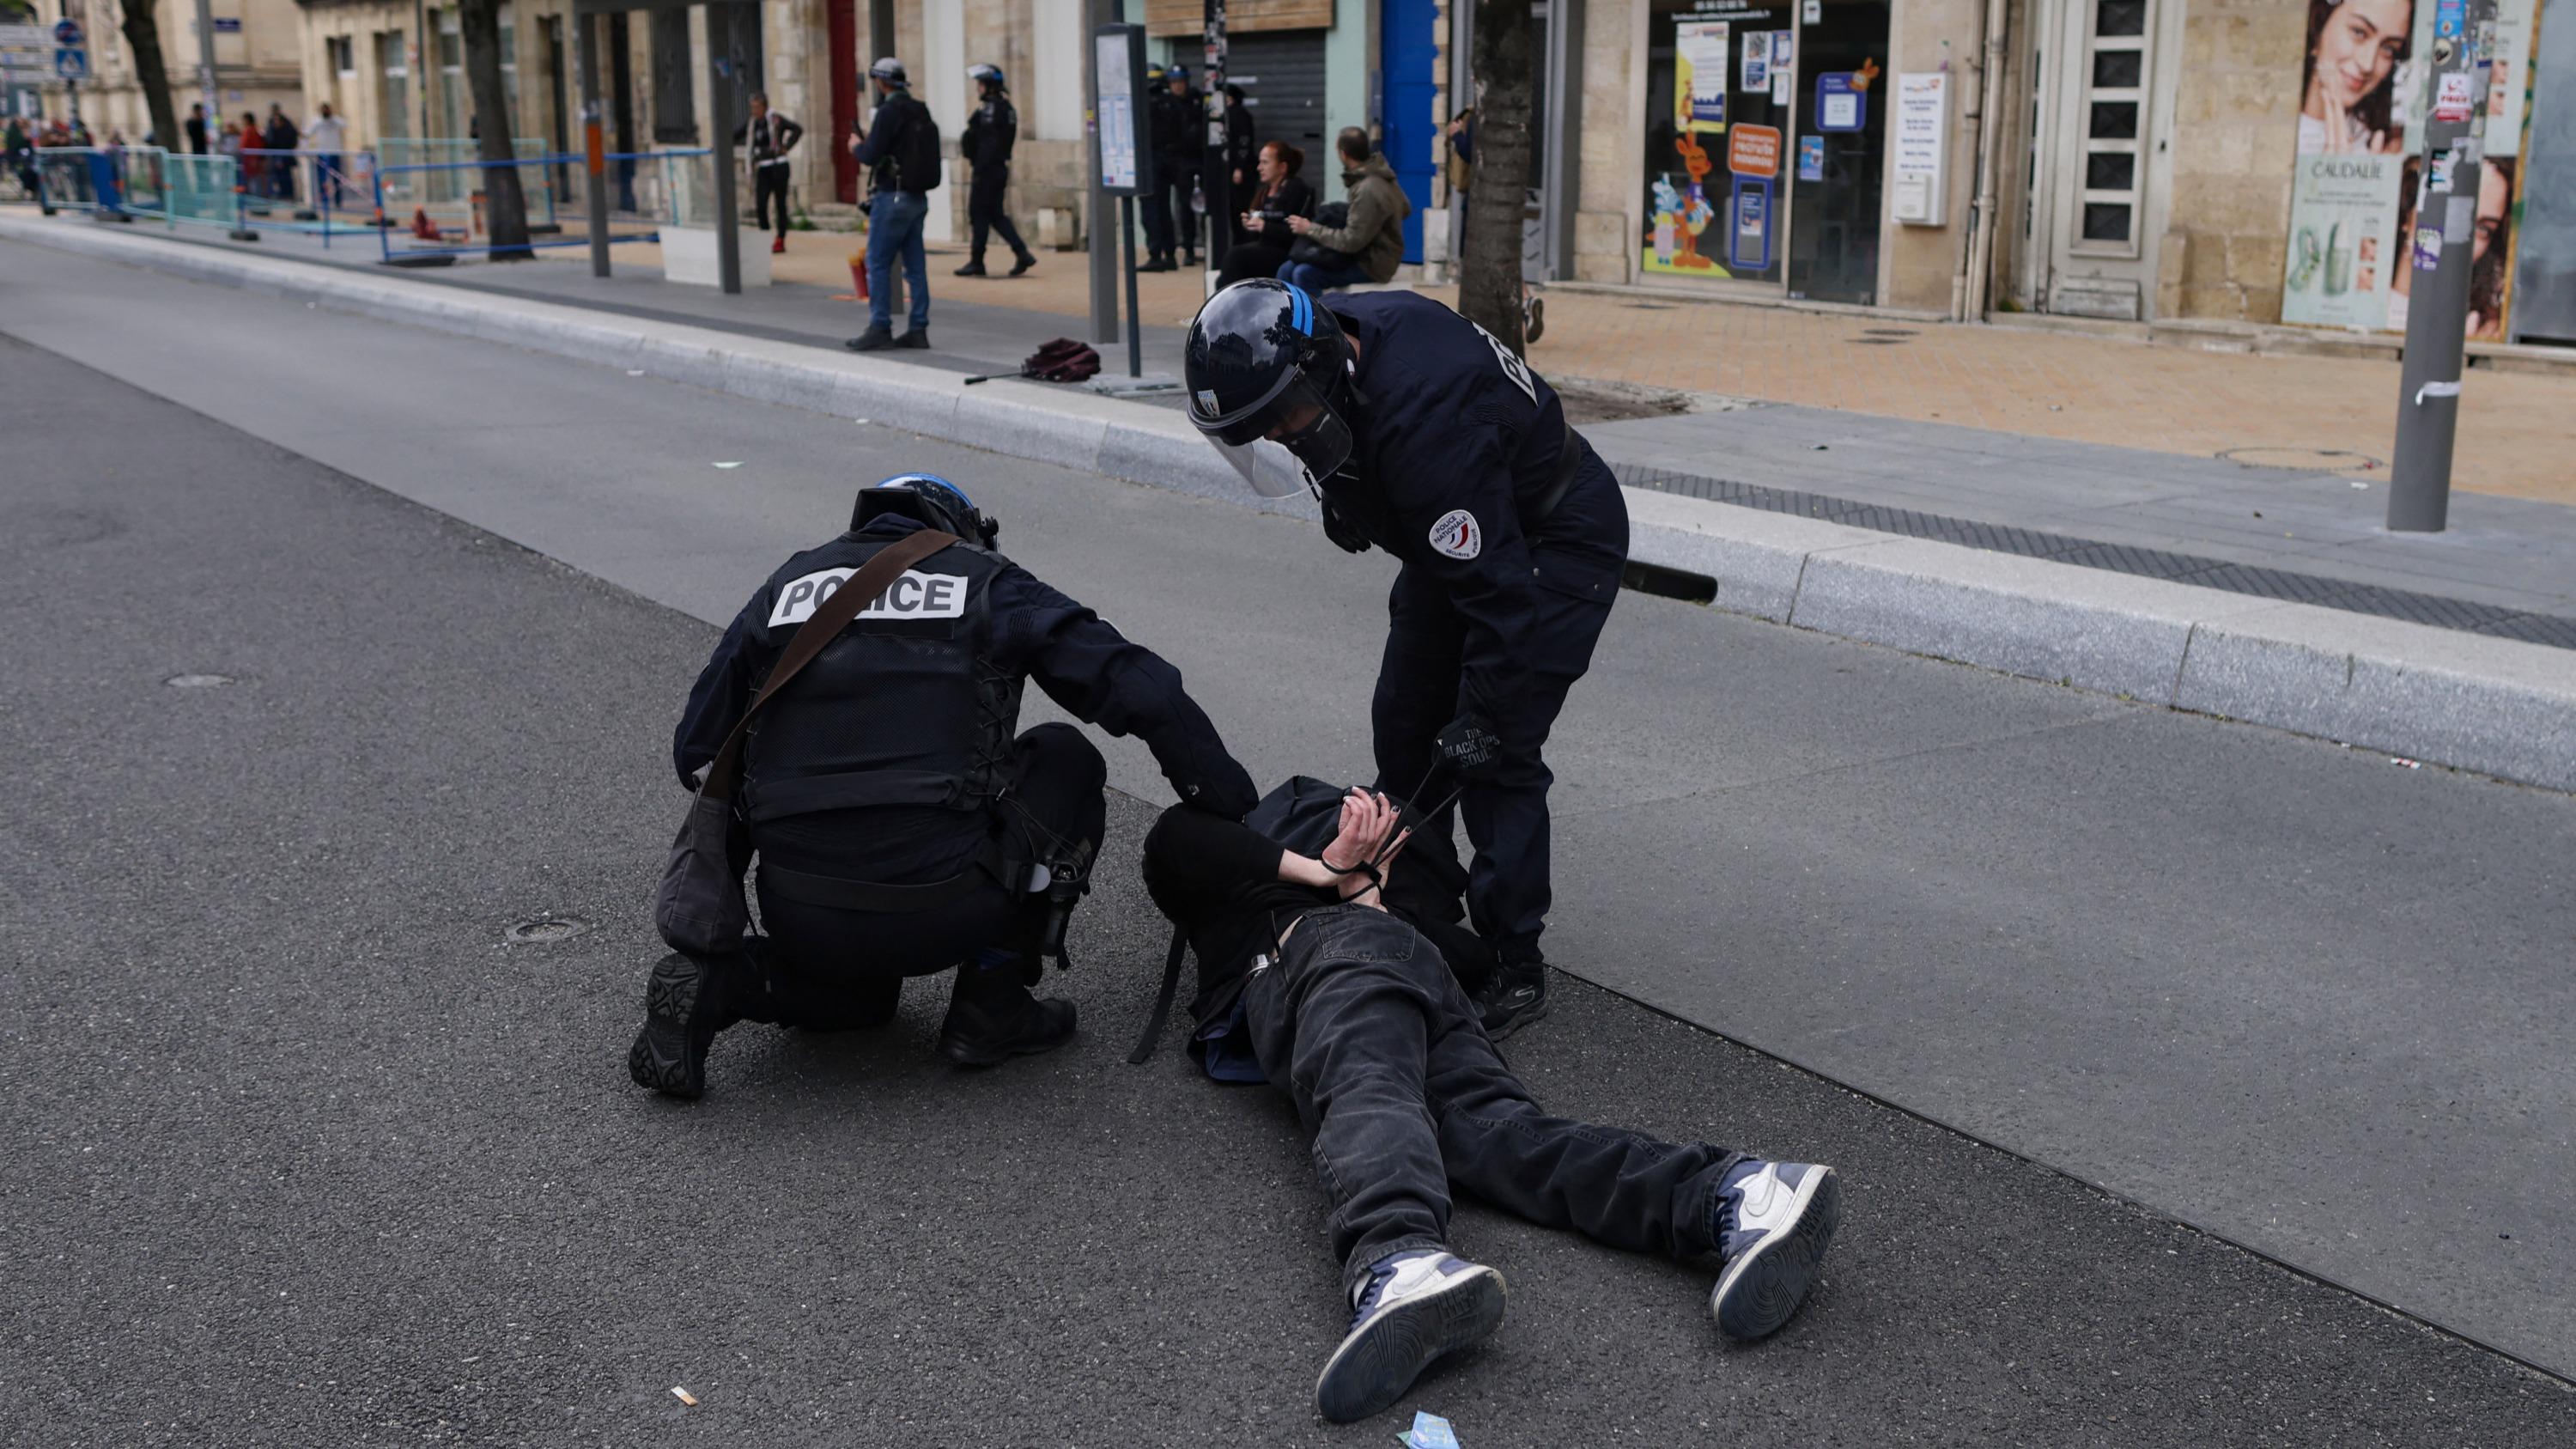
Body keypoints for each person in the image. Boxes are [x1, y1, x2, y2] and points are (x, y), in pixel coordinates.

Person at [1142, 785, 1840, 1422]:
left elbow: (1173, 839)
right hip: (1412, 968)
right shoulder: (1252, 867)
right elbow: (1177, 842)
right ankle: (1737, 1192)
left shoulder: (1264, 889)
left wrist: (1342, 885)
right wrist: (1346, 884)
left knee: (1368, 1085)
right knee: (1505, 1138)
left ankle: (1395, 1258)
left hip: (1337, 955)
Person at [632, 474, 1260, 1099]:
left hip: (800, 906)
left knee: (860, 999)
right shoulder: (985, 578)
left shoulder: (787, 586)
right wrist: (1230, 806)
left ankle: (722, 983)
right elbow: (1136, 682)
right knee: (1066, 757)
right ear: (958, 525)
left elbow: (697, 745)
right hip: (946, 903)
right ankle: (992, 1005)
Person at [1183, 277, 1626, 1040]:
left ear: (1325, 370)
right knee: (1404, 723)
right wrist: (1342, 492)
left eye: (1284, 420)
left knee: (1494, 751)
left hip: (1552, 539)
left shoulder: (1430, 427)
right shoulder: (1332, 331)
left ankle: (1513, 960)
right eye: (1262, 431)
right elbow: (1338, 429)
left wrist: (1483, 714)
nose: (1281, 438)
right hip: (1459, 533)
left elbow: (1500, 602)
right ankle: (1416, 901)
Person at [844, 57, 939, 353]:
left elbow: (872, 155)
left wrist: (855, 147)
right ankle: (918, 329)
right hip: (916, 197)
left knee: (877, 262)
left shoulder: (888, 112)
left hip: (892, 196)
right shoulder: (919, 110)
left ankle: (880, 327)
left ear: (881, 83)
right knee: (915, 266)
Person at [1279, 127, 1411, 293]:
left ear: (1343, 154)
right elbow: (1405, 208)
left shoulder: (1368, 189)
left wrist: (1309, 228)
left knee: (1305, 274)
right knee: (1287, 268)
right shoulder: (1381, 175)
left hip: (1373, 263)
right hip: (1365, 254)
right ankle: (1289, 316)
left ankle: (1319, 318)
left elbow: (1351, 242)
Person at [954, 63, 1036, 277]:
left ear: (989, 85)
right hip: (998, 168)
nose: (978, 88)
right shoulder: (1007, 107)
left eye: (980, 83)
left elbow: (987, 142)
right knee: (995, 215)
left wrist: (980, 168)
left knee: (979, 214)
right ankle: (1022, 253)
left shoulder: (991, 109)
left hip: (987, 170)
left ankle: (977, 261)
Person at [2298, 0, 2410, 155]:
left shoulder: (2384, 150)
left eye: (2388, 48)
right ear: (2319, 23)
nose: (2367, 64)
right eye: (2359, 32)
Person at [1215, 140, 1314, 287]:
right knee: (1228, 268)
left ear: (1282, 167)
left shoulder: (1297, 189)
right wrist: (1250, 225)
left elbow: (1293, 233)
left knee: (1235, 257)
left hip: (1287, 251)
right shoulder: (1264, 193)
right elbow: (1257, 236)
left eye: (1265, 163)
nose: (1259, 168)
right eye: (1259, 162)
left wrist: (1264, 227)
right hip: (1265, 249)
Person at [1142, 65, 1201, 271]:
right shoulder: (1172, 104)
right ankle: (1170, 254)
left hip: (1168, 162)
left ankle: (1164, 253)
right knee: (1168, 209)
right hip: (1175, 161)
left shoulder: (1149, 105)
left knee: (1160, 208)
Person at [734, 91, 803, 254]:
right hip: (763, 167)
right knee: (761, 204)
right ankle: (765, 236)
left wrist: (786, 146)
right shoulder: (752, 124)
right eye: (752, 108)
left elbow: (797, 129)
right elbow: (735, 135)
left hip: (778, 165)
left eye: (757, 107)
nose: (754, 111)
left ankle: (780, 239)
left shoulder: (775, 119)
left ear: (765, 107)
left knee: (780, 204)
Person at [304, 101, 349, 211]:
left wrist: (333, 118)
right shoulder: (317, 121)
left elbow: (346, 125)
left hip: (334, 153)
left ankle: (338, 201)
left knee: (336, 179)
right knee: (322, 179)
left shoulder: (335, 120)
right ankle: (325, 201)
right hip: (322, 153)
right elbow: (308, 133)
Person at [263, 106, 299, 201]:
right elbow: (270, 139)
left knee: (286, 177)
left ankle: (288, 195)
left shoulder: (287, 127)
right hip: (276, 156)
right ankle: (282, 194)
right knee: (277, 177)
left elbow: (291, 139)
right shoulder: (272, 125)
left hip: (284, 156)